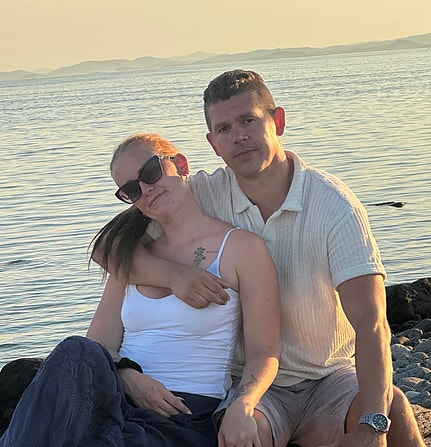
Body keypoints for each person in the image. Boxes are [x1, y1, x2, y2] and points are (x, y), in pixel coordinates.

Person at [93, 70, 426, 447]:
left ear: (277, 121)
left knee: (394, 408)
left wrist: (372, 425)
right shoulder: (199, 193)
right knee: (241, 435)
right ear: (213, 144)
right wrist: (173, 276)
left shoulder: (333, 206)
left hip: (329, 377)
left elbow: (371, 322)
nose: (238, 136)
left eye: (248, 120)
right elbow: (107, 248)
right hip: (251, 383)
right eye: (224, 128)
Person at [0, 132, 280, 447]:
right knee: (72, 350)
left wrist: (242, 404)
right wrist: (128, 377)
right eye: (132, 190)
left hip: (184, 412)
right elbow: (98, 345)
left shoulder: (242, 248)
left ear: (181, 164)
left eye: (150, 172)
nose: (146, 189)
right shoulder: (131, 257)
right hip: (119, 400)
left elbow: (265, 352)